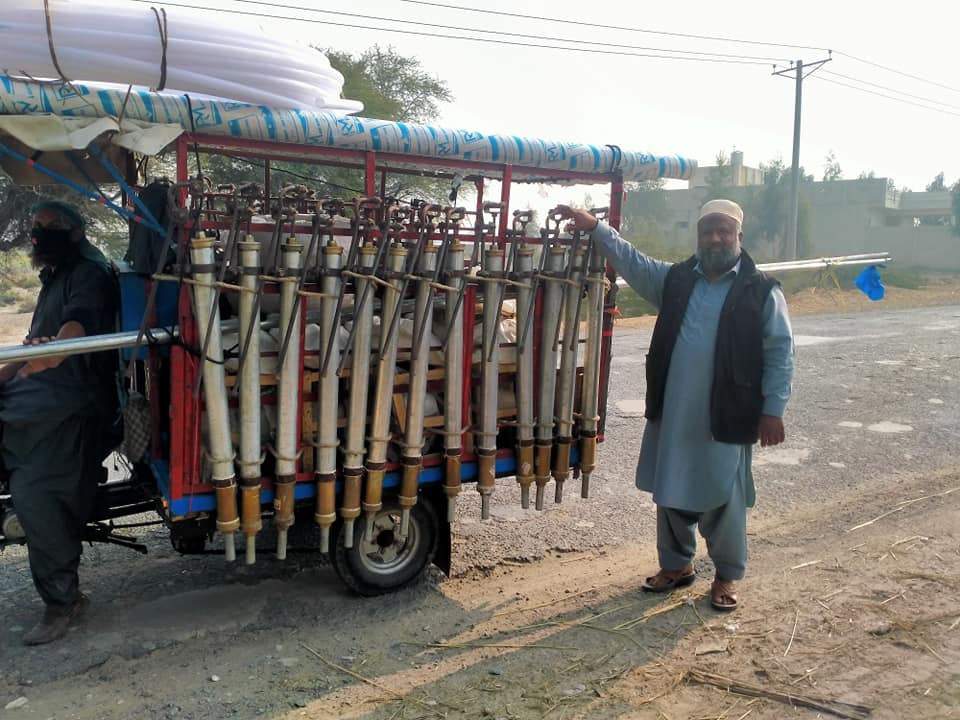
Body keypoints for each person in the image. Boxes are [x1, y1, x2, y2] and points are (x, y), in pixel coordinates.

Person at [558, 199, 794, 611]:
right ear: (699, 237)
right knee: (670, 490)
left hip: (727, 412)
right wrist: (596, 227)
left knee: (724, 495)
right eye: (708, 231)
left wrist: (773, 409)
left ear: (739, 235)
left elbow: (780, 352)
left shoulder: (762, 290)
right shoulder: (677, 280)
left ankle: (726, 575)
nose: (715, 238)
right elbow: (632, 261)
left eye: (724, 231)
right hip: (673, 411)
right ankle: (677, 565)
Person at [0, 200, 119, 645]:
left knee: (37, 490)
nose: (37, 234)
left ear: (74, 231)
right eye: (34, 226)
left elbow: (76, 325)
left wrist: (53, 353)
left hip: (73, 402)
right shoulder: (57, 271)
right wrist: (11, 370)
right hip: (40, 391)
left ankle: (62, 600)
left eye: (48, 227)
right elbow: (35, 342)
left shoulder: (88, 271)